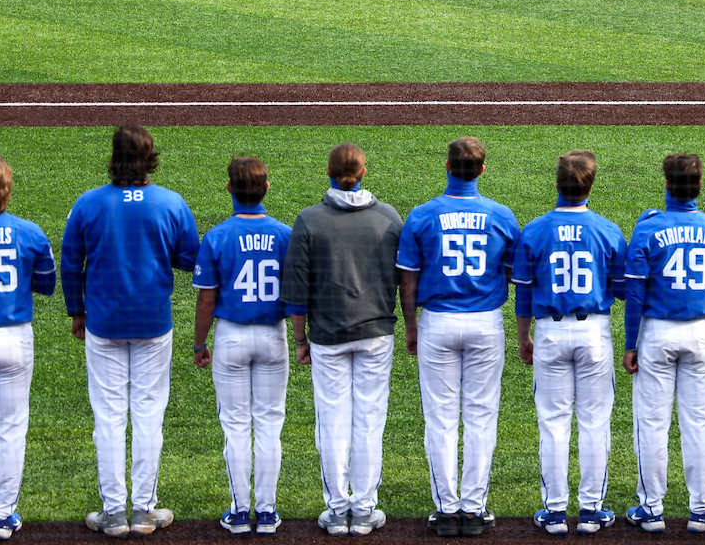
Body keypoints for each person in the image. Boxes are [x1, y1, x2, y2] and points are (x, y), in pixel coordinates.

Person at [61, 125, 199, 538]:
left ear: (114, 156)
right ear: (151, 157)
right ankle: (143, 510)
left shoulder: (88, 204)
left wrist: (76, 312)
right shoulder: (171, 203)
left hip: (103, 323)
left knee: (108, 417)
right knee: (148, 415)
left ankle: (112, 512)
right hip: (153, 323)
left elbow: (71, 265)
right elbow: (191, 259)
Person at [398, 137, 521, 538]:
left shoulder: (422, 215)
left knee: (441, 418)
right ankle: (474, 506)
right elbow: (509, 273)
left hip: (437, 321)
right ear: (482, 170)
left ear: (447, 167)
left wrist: (412, 325)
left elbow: (408, 279)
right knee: (481, 416)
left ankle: (447, 509)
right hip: (486, 321)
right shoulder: (502, 216)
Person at [280, 143, 403, 537]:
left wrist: (300, 339)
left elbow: (296, 292)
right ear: (364, 171)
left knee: (331, 421)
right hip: (376, 333)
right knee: (369, 420)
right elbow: (405, 280)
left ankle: (337, 509)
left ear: (328, 172)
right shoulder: (388, 218)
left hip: (327, 336)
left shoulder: (309, 220)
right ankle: (364, 508)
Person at [511, 150, 627, 536]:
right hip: (593, 331)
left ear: (556, 183)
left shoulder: (535, 229)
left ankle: (556, 512)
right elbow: (623, 288)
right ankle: (591, 511)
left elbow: (524, 293)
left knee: (553, 424)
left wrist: (523, 336)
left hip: (549, 331)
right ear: (590, 184)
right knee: (595, 424)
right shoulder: (608, 230)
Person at [623, 153, 705, 534]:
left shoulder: (647, 229)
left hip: (656, 332)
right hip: (699, 334)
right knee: (700, 423)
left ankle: (651, 509)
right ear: (700, 185)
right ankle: (702, 508)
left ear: (667, 185)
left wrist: (630, 342)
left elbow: (635, 294)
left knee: (652, 424)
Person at [192, 157, 292, 536]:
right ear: (266, 187)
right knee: (269, 424)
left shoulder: (217, 236)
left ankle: (239, 511)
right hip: (272, 335)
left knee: (235, 425)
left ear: (230, 189)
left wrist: (200, 343)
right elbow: (297, 294)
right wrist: (300, 337)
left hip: (230, 336)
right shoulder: (285, 234)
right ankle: (266, 512)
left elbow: (205, 301)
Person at [0, 156, 55, 542]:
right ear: (7, 188)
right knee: (9, 429)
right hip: (14, 339)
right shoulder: (30, 232)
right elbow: (47, 285)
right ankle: (2, 516)